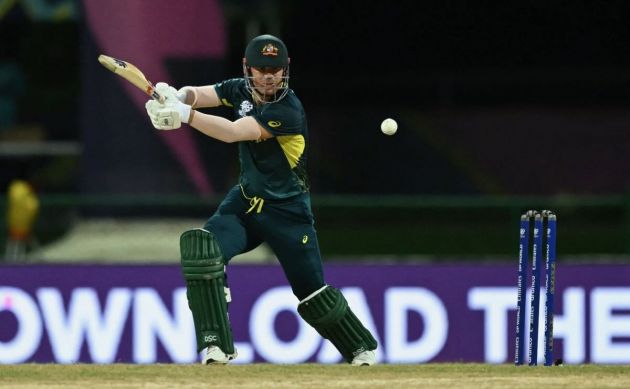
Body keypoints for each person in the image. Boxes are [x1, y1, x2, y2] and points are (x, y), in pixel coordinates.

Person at [145, 34, 377, 365]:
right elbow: (206, 94)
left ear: (286, 70)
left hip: (288, 212)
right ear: (248, 69)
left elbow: (234, 132)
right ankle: (216, 345)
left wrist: (183, 114)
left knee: (312, 294)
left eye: (275, 69)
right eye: (261, 69)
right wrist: (178, 94)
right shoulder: (240, 88)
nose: (269, 76)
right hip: (246, 204)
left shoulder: (288, 110)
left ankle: (360, 347)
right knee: (204, 252)